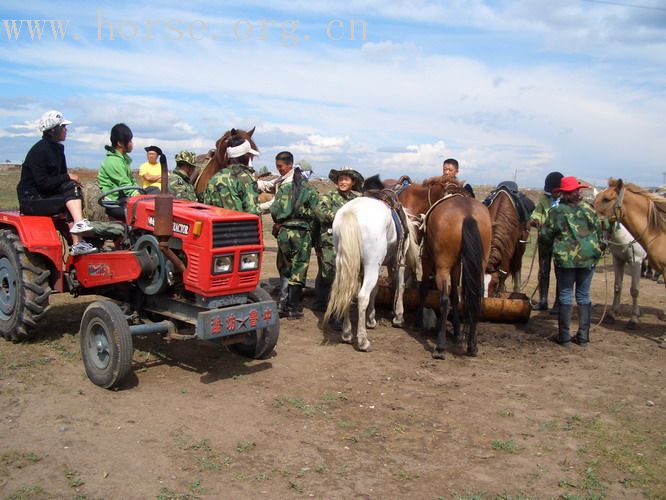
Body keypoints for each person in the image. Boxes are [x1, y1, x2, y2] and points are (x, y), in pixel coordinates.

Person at [17, 110, 96, 255]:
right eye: (63, 127)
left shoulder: (57, 149)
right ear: (53, 130)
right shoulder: (39, 151)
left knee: (73, 190)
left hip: (46, 194)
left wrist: (69, 180)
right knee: (69, 195)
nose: (66, 130)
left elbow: (59, 180)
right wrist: (68, 176)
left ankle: (79, 235)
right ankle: (78, 234)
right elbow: (43, 183)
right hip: (32, 199)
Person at [540, 176, 603, 347]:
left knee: (566, 295)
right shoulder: (589, 209)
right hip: (588, 257)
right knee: (583, 295)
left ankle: (565, 337)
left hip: (565, 259)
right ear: (577, 191)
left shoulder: (556, 211)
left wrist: (545, 252)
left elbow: (545, 236)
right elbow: (599, 230)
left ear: (562, 192)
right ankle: (583, 337)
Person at [270, 151, 319, 319]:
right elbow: (316, 215)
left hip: (284, 233)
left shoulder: (283, 188)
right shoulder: (311, 191)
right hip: (301, 234)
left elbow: (275, 211)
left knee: (285, 268)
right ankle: (293, 308)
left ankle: (281, 305)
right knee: (299, 269)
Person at [312, 167, 364, 311]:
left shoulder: (357, 200)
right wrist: (342, 219)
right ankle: (322, 302)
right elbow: (320, 212)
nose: (342, 182)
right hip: (329, 240)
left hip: (350, 242)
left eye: (346, 179)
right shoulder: (328, 197)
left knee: (342, 272)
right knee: (328, 271)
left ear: (352, 182)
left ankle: (326, 302)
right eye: (340, 179)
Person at [528, 171, 564, 312]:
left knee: (560, 271)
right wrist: (535, 220)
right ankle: (543, 300)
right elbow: (536, 215)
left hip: (560, 243)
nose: (552, 194)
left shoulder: (565, 202)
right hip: (545, 241)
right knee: (544, 270)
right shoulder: (544, 200)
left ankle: (558, 302)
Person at [202, 134, 261, 215]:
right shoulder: (246, 178)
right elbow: (253, 211)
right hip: (240, 226)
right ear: (246, 157)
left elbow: (207, 207)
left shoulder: (214, 178)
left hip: (217, 226)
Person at [97, 123, 138, 205]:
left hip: (123, 196)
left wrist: (142, 192)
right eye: (129, 141)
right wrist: (140, 197)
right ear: (120, 143)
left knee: (153, 190)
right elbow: (125, 185)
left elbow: (132, 182)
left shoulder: (123, 160)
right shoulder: (113, 161)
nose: (132, 144)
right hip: (115, 201)